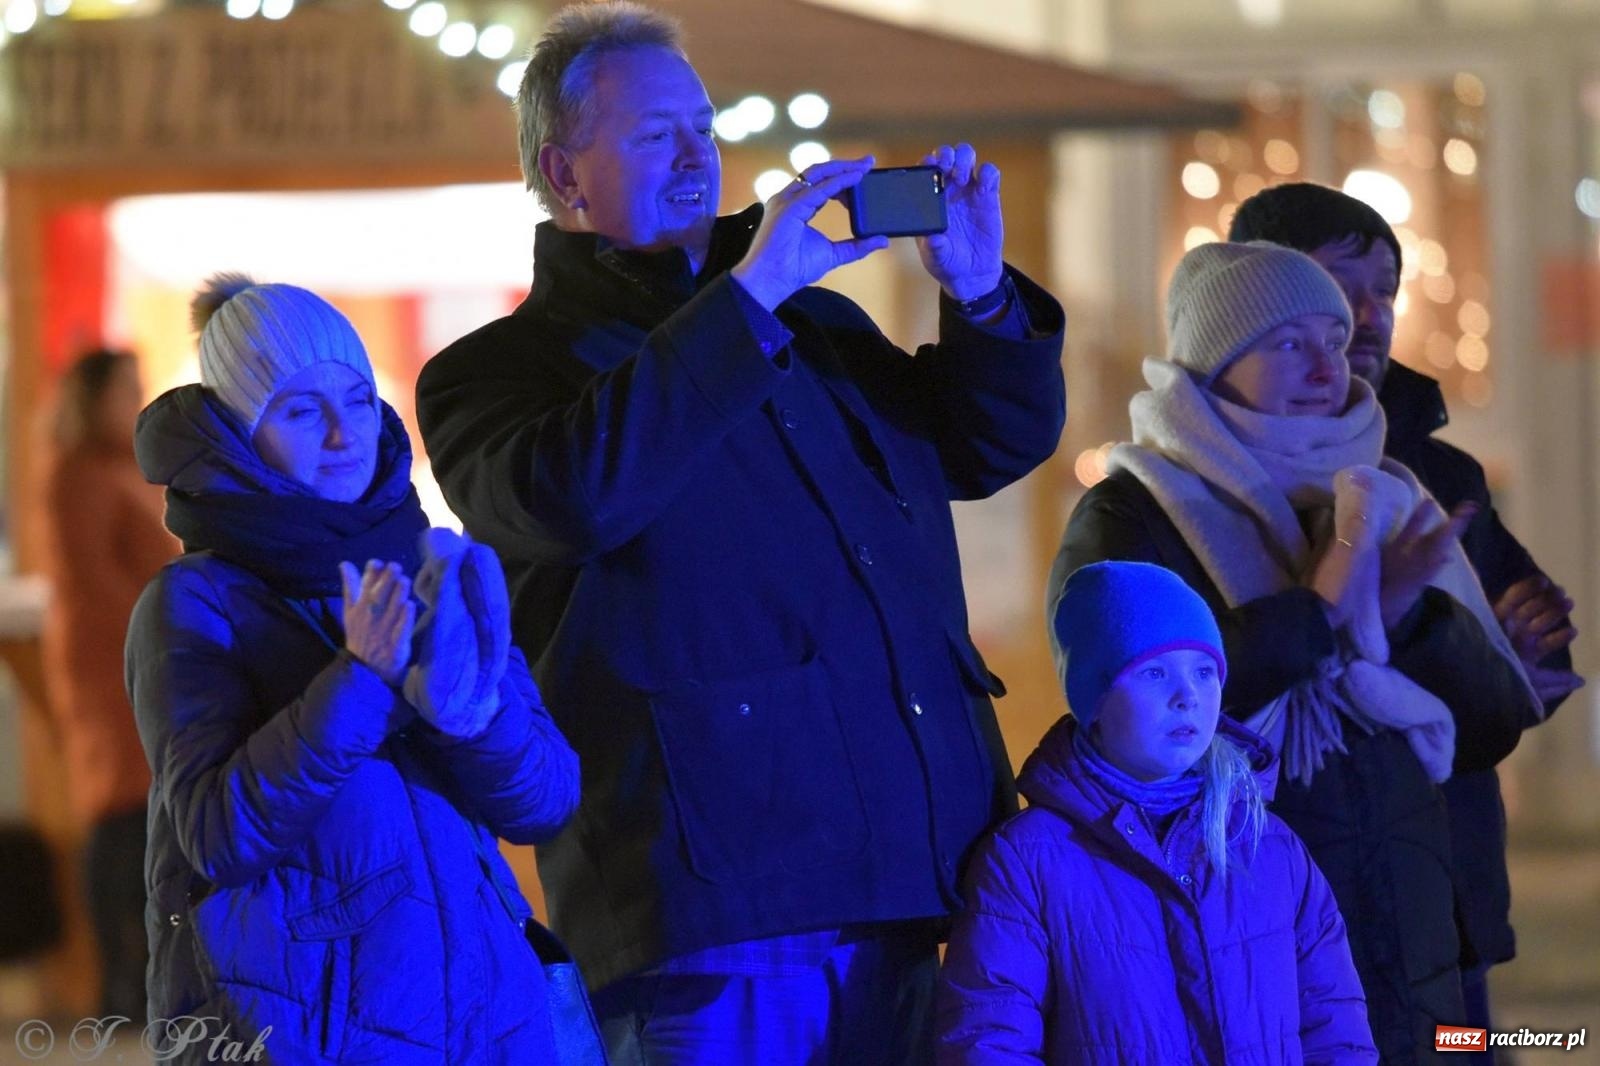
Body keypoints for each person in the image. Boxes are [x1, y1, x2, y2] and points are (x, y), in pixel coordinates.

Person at [414, 3, 1066, 1062]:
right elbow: (575, 492)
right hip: (715, 915)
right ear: (564, 171)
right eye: (652, 134)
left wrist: (982, 294)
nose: (695, 155)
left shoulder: (817, 326)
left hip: (912, 883)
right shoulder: (494, 372)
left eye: (703, 127)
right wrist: (751, 292)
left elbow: (978, 449)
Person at [1049, 240, 1541, 1064]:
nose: (1327, 366)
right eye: (1288, 343)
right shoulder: (1135, 512)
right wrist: (1321, 613)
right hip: (1236, 920)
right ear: (1215, 362)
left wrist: (1404, 618)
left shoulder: (1384, 490)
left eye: (1334, 340)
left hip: (1408, 925)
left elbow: (1489, 721)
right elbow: (1124, 699)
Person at [125, 276, 582, 1064]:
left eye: (359, 400)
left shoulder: (428, 567)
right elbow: (215, 833)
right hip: (306, 1028)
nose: (345, 434)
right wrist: (363, 681)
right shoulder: (195, 601)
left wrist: (473, 714)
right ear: (238, 432)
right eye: (302, 410)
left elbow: (543, 801)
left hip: (483, 1019)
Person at [1228, 184, 1580, 1052]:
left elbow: (1509, 678)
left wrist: (1510, 660)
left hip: (1444, 897)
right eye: (1338, 285)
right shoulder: (1196, 482)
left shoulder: (1437, 471)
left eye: (1385, 288)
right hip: (1283, 901)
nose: (1368, 315)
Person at [936, 560, 1377, 1064]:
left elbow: (1335, 1026)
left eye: (1204, 671)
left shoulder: (1269, 845)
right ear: (1095, 699)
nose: (1187, 696)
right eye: (1154, 672)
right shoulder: (1028, 860)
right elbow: (988, 1041)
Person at [41, 348, 178, 1021]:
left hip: (134, 649)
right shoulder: (81, 474)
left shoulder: (124, 467)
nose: (135, 398)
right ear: (91, 398)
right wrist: (153, 634)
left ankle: (138, 977)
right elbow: (92, 577)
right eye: (125, 388)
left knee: (141, 809)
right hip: (111, 658)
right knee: (120, 809)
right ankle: (118, 983)